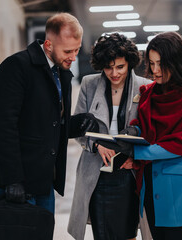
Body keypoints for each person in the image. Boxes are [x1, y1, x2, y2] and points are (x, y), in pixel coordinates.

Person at [0, 12, 98, 216]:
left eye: (77, 50)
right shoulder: (16, 67)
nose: (73, 57)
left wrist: (76, 123)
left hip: (43, 178)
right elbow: (2, 127)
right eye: (68, 51)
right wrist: (13, 179)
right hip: (15, 180)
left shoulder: (61, 73)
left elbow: (49, 124)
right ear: (48, 45)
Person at [98, 31, 182, 240]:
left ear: (176, 62)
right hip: (149, 185)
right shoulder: (148, 92)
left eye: (161, 64)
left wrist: (136, 151)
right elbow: (144, 126)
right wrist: (133, 131)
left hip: (179, 188)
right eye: (151, 63)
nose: (155, 71)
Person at [68, 33, 151, 240]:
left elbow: (150, 132)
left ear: (129, 63)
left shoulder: (145, 86)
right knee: (102, 233)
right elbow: (78, 129)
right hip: (97, 173)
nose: (114, 73)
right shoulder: (89, 84)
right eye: (108, 67)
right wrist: (96, 145)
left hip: (129, 174)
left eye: (120, 67)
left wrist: (137, 157)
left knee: (128, 232)